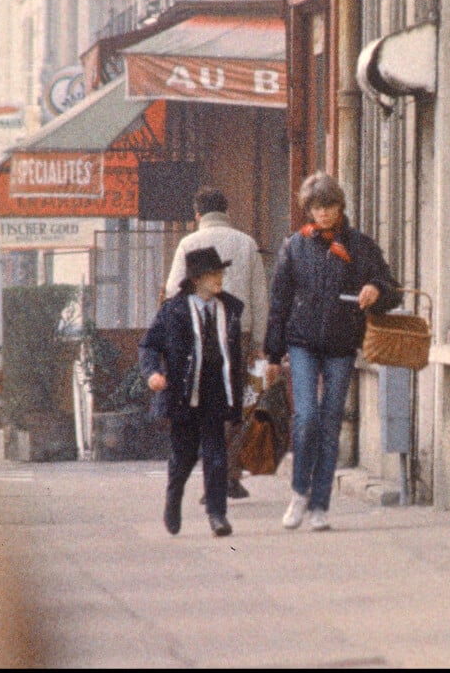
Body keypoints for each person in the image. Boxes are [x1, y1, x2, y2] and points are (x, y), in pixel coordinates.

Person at [264, 171, 402, 532]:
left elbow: (393, 289)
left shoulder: (360, 246)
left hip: (343, 344)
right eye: (316, 207)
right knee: (307, 417)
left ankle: (320, 506)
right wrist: (272, 355)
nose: (323, 214)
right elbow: (278, 303)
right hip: (303, 342)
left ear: (340, 206)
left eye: (329, 206)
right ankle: (299, 493)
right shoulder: (294, 246)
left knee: (329, 424)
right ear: (307, 210)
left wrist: (375, 288)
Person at [165, 186, 269, 499]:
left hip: (200, 335)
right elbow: (260, 297)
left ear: (198, 214)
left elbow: (173, 292)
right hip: (239, 333)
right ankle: (230, 474)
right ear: (227, 213)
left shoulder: (188, 243)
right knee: (235, 405)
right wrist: (259, 342)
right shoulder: (247, 244)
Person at [139, 247, 244, 537]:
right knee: (183, 455)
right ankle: (173, 499)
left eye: (220, 273)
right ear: (197, 279)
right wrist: (153, 373)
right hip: (184, 392)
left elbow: (234, 354)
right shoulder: (174, 310)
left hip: (216, 389)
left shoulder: (230, 309)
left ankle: (217, 514)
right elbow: (148, 345)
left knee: (216, 454)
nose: (219, 278)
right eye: (213, 274)